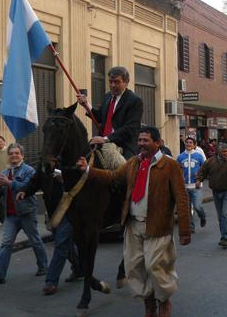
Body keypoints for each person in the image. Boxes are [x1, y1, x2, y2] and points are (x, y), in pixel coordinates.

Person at [76, 126, 191, 317]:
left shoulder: (170, 166)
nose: (141, 144)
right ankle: (149, 306)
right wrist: (88, 170)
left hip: (157, 226)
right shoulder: (133, 163)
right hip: (133, 225)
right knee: (134, 269)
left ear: (157, 142)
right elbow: (113, 177)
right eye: (139, 141)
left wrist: (185, 230)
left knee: (157, 268)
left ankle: (164, 302)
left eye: (146, 140)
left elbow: (182, 197)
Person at [0, 143, 48, 284]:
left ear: (22, 155)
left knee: (35, 241)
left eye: (17, 153)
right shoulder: (4, 172)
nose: (14, 155)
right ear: (8, 156)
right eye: (11, 153)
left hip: (26, 213)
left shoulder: (29, 171)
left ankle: (44, 266)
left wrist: (8, 182)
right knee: (6, 244)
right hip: (10, 215)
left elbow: (26, 188)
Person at [76, 66, 143, 159]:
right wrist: (86, 105)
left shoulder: (134, 101)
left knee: (124, 170)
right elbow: (100, 118)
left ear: (126, 82)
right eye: (110, 82)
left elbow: (130, 128)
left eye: (117, 82)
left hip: (124, 146)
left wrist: (106, 139)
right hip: (102, 141)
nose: (112, 85)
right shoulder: (107, 97)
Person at [196, 143, 227, 248]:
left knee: (225, 214)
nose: (226, 153)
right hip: (216, 191)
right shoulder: (210, 161)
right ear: (218, 152)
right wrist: (198, 180)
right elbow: (202, 171)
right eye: (224, 151)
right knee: (220, 216)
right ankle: (226, 236)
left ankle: (225, 238)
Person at [176, 137, 207, 233]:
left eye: (190, 142)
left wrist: (200, 179)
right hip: (185, 186)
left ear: (194, 145)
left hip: (196, 186)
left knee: (197, 206)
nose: (188, 144)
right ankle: (191, 227)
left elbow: (204, 170)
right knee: (187, 208)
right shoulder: (180, 157)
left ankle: (202, 216)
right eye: (187, 142)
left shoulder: (199, 156)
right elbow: (177, 171)